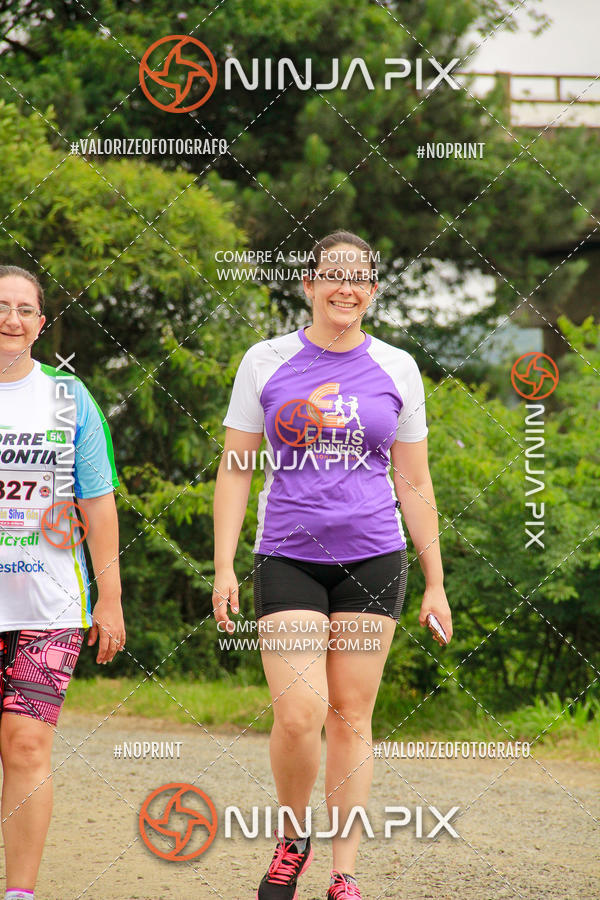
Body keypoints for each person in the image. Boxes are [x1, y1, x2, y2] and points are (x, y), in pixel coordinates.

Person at [212, 231, 452, 900]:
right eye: (332, 274)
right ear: (310, 285)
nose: (346, 286)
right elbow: (236, 471)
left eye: (360, 277)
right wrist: (223, 565)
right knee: (299, 713)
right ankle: (294, 838)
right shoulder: (266, 360)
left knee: (350, 715)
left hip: (374, 558)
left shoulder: (399, 368)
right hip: (287, 555)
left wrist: (436, 582)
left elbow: (415, 483)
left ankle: (343, 873)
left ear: (373, 291)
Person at [0, 266, 125, 900]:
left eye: (25, 309)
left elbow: (98, 504)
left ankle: (19, 894)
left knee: (24, 745)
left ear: (41, 324)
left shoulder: (69, 399)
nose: (11, 319)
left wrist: (112, 600)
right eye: (1, 306)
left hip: (50, 603)